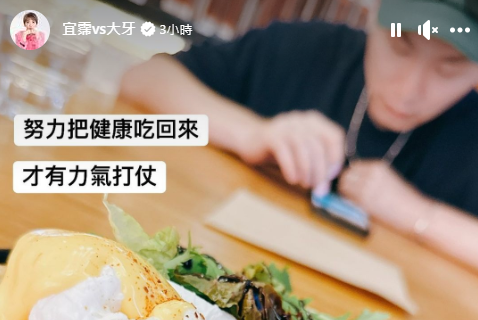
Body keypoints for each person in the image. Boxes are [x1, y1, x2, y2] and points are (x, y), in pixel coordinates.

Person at [121, 0, 478, 269]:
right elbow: (144, 79)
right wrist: (252, 134)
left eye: (450, 67)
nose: (409, 90)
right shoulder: (309, 48)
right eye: (400, 46)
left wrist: (417, 213)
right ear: (374, 15)